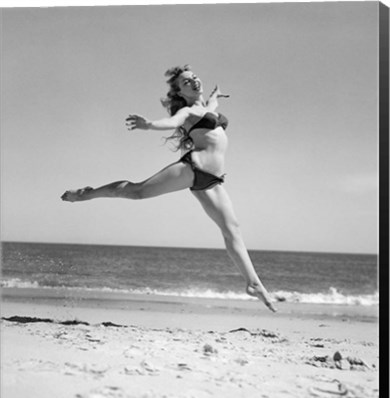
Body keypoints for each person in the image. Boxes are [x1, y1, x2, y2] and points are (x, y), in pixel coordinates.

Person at [61, 65, 276, 312]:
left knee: (232, 229)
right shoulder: (186, 112)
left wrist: (216, 96)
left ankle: (253, 283)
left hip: (213, 181)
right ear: (180, 93)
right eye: (186, 82)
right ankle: (88, 193)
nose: (193, 81)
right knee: (138, 191)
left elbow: (212, 107)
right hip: (193, 169)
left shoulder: (206, 108)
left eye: (194, 77)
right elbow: (171, 122)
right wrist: (149, 124)